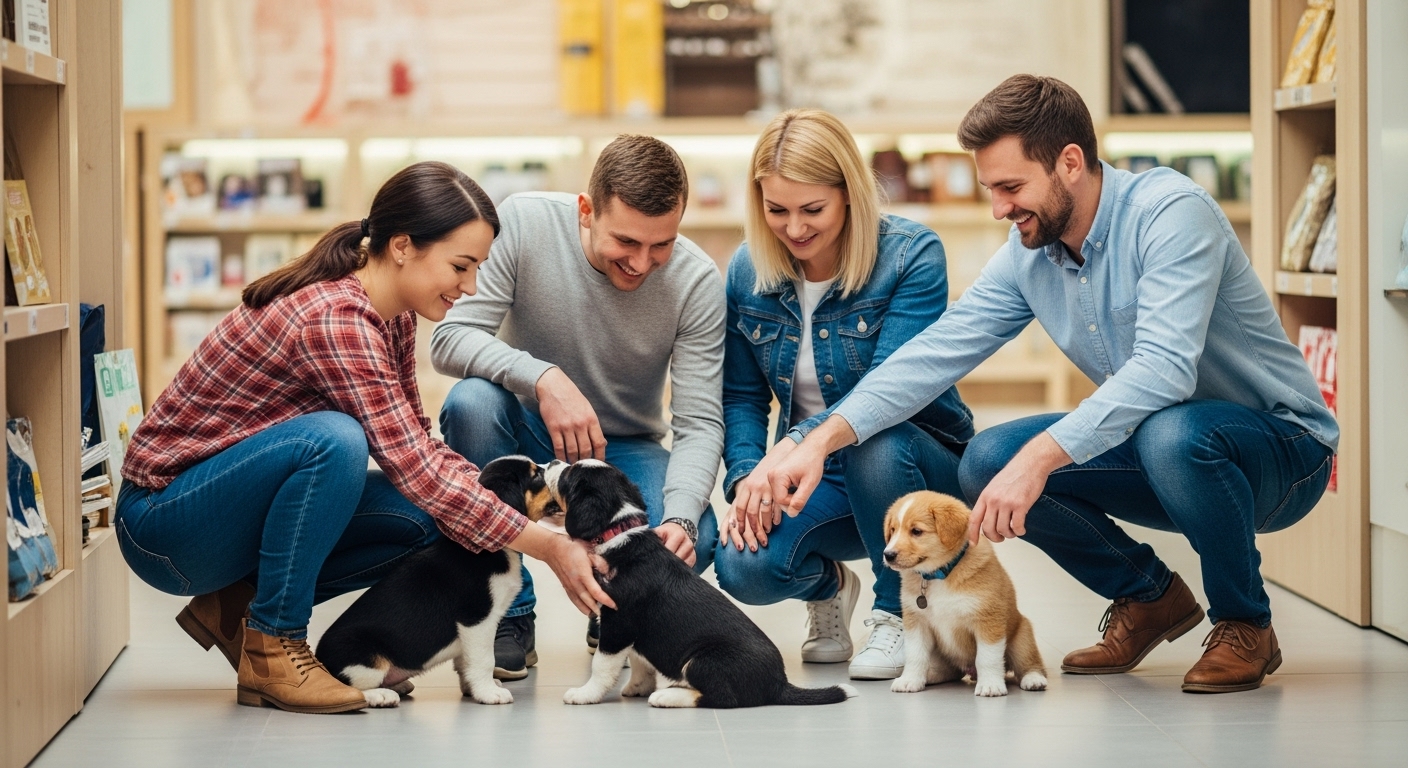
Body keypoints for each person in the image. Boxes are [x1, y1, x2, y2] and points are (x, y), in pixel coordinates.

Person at [766, 74, 1338, 694]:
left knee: (1169, 434)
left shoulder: (1170, 213)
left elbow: (1166, 369)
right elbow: (932, 354)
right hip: (1161, 447)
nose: (999, 209)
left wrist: (1041, 458)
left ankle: (1245, 622)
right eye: (991, 189)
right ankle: (1147, 597)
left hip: (1282, 453)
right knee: (988, 460)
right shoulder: (1028, 253)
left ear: (1070, 162)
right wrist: (819, 440)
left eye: (1011, 187)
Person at [115, 162, 614, 715]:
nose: (470, 287)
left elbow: (419, 450)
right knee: (334, 442)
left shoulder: (390, 312)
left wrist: (530, 519)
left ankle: (241, 604)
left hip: (220, 510)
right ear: (402, 246)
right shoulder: (338, 319)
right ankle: (275, 645)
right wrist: (547, 546)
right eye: (460, 265)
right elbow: (415, 468)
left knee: (430, 520)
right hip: (165, 524)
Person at [431, 135, 724, 679]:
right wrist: (544, 378)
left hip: (624, 452)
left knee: (697, 536)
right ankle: (510, 618)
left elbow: (701, 422)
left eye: (661, 244)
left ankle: (613, 611)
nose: (643, 263)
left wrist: (681, 515)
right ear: (586, 211)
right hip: (526, 433)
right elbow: (450, 339)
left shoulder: (698, 280)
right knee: (471, 403)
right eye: (627, 241)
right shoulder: (523, 222)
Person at [714, 109, 975, 680]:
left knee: (871, 442)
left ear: (850, 194)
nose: (795, 228)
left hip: (914, 464)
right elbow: (740, 395)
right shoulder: (746, 270)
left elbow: (889, 393)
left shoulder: (910, 256)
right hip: (811, 475)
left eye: (813, 210)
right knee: (741, 566)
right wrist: (746, 479)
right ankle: (832, 588)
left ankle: (895, 613)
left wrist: (796, 446)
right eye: (776, 209)